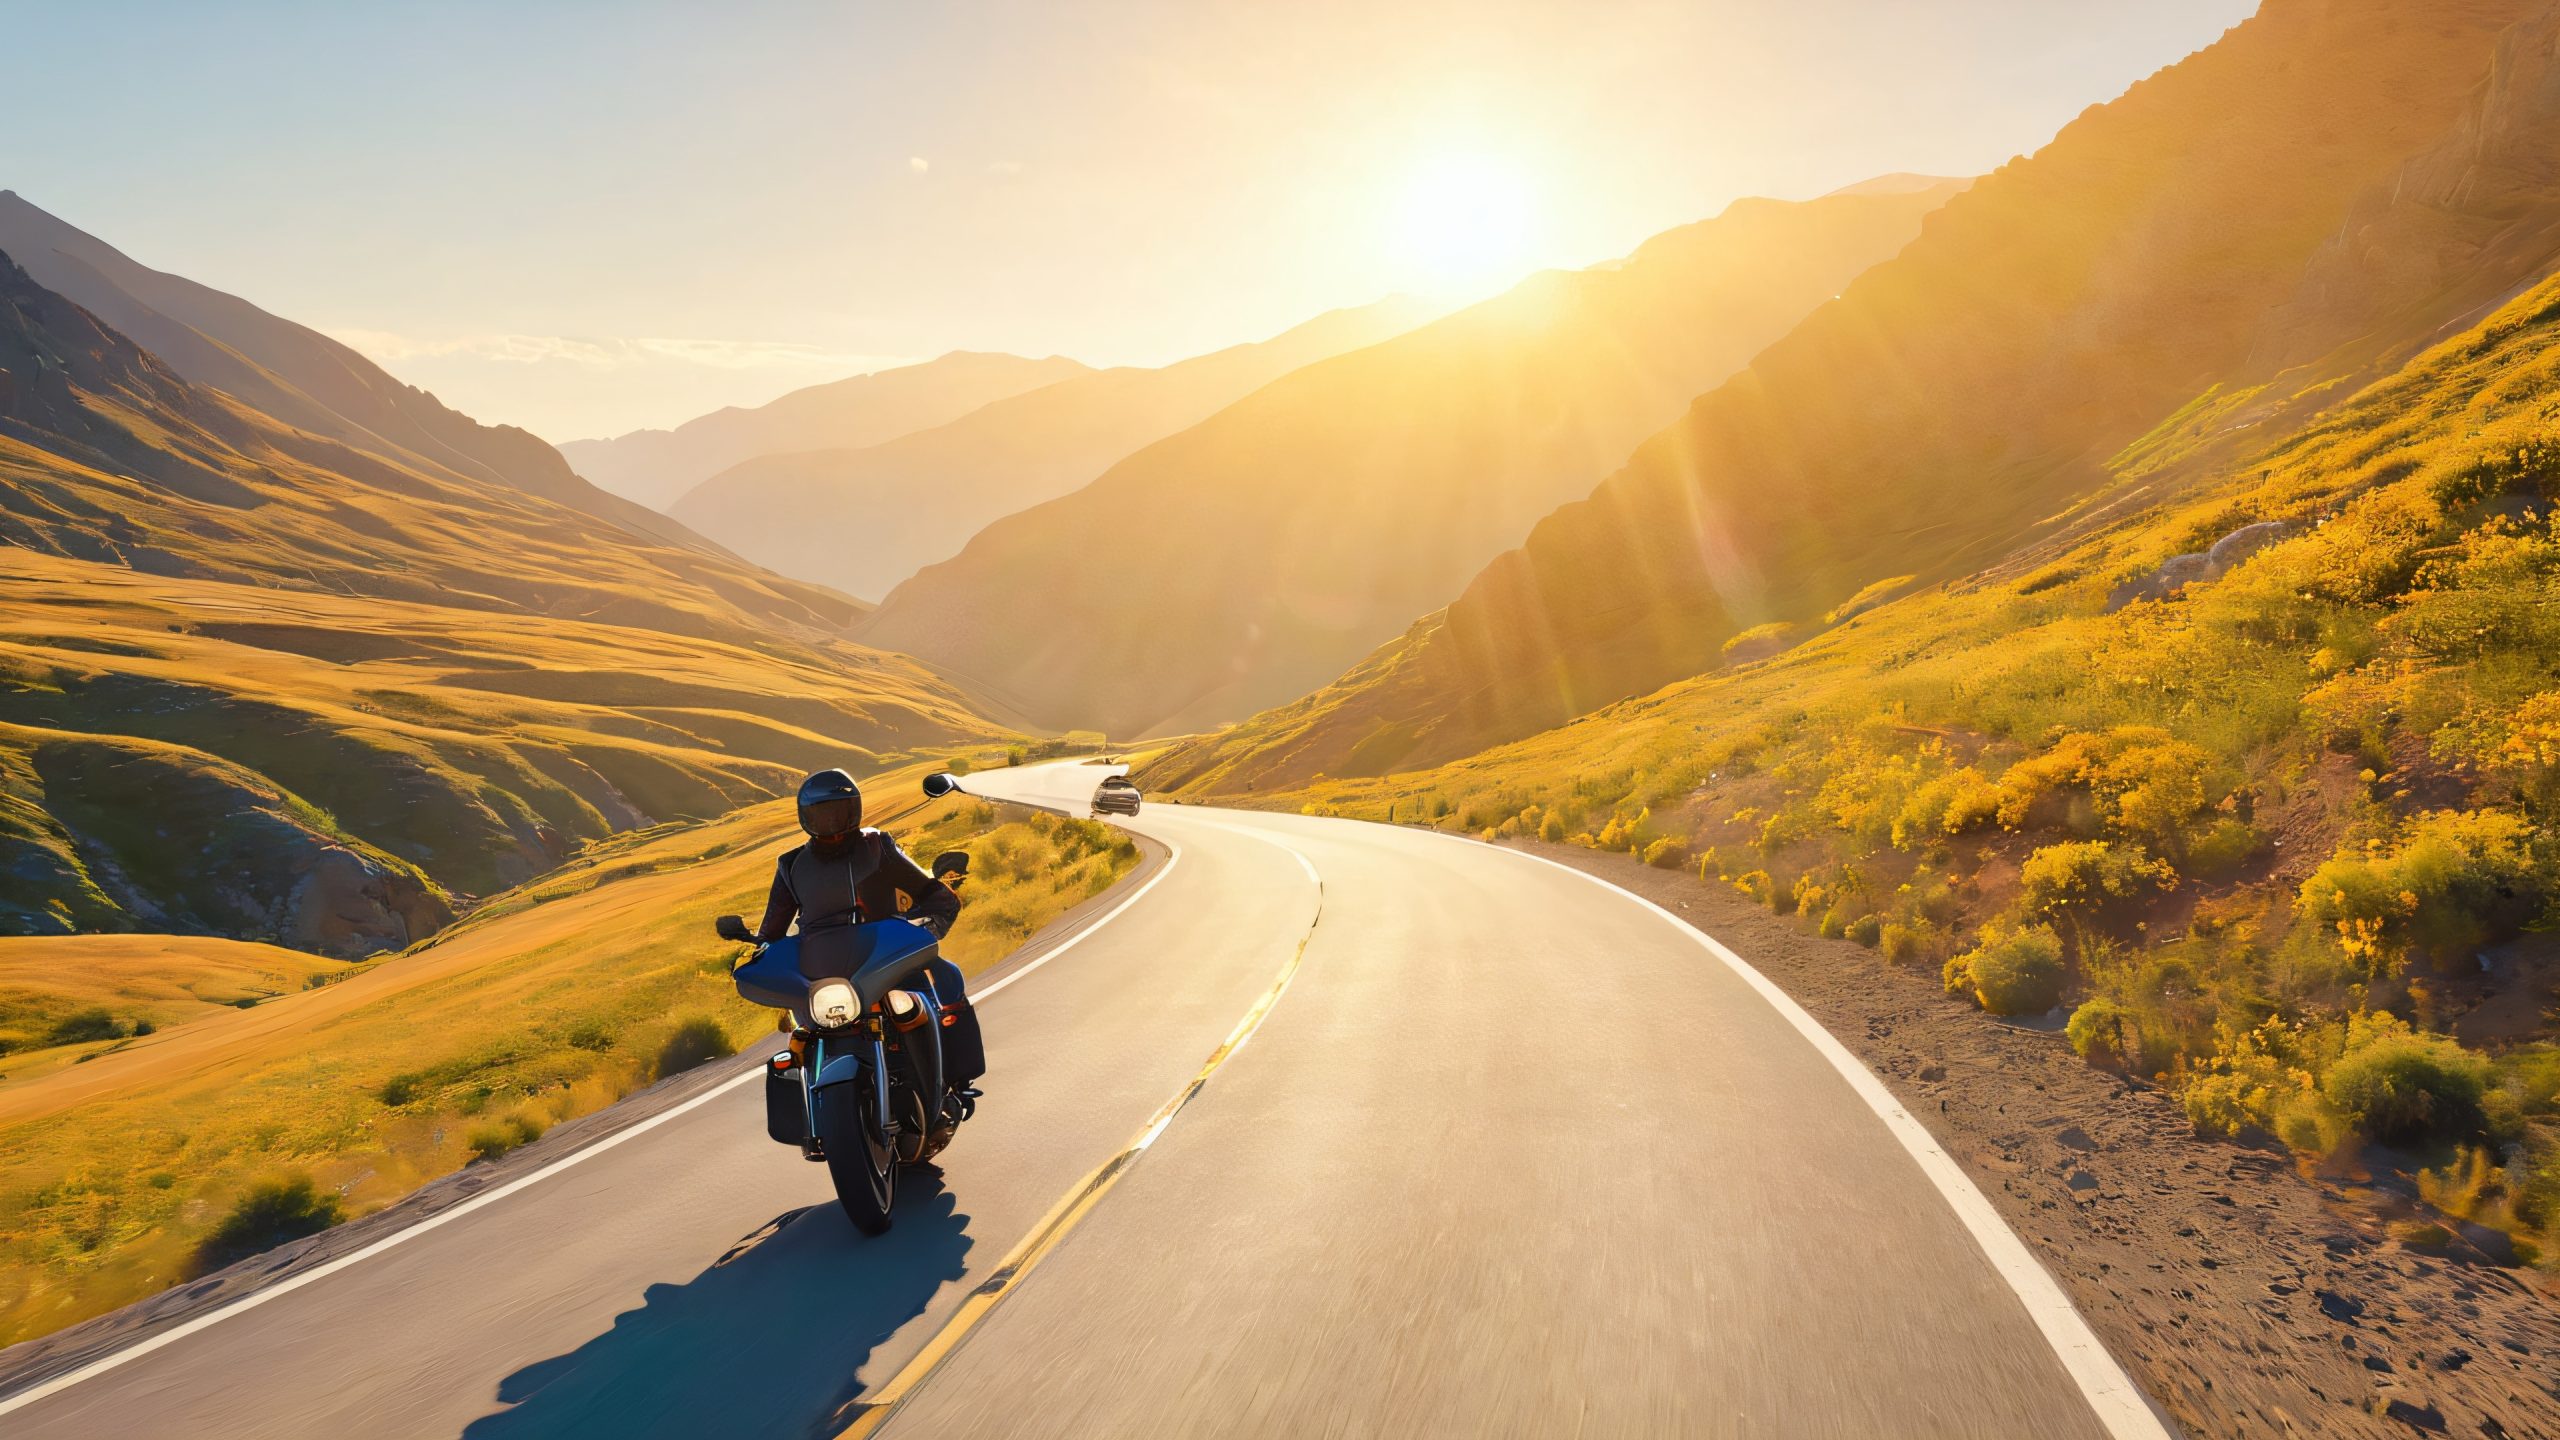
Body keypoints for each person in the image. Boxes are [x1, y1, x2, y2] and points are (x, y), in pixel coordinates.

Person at [755, 769, 982, 1096]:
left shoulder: (877, 847)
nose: (832, 822)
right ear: (806, 817)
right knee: (801, 1035)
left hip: (885, 958)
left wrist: (928, 925)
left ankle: (953, 1084)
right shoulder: (791, 866)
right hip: (824, 973)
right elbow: (772, 929)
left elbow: (932, 894)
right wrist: (760, 955)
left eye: (840, 812)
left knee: (942, 981)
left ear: (855, 811)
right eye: (822, 814)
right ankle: (812, 1125)